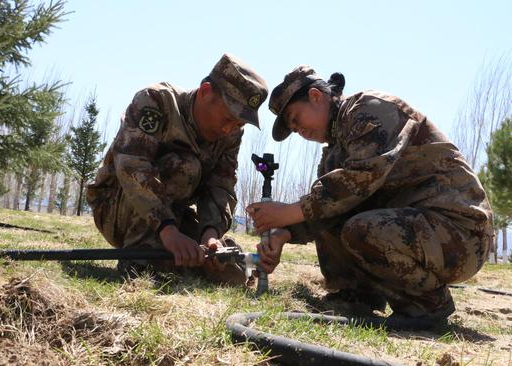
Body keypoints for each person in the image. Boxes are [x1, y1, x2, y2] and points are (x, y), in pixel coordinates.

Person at [247, 65, 493, 322]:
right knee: (332, 209)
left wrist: (287, 213)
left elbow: (359, 178)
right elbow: (328, 204)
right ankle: (355, 296)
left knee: (359, 227)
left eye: (296, 119)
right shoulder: (334, 153)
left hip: (461, 232)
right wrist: (286, 232)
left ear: (316, 97)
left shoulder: (368, 109)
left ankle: (426, 304)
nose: (300, 132)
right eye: (294, 130)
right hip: (428, 229)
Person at [86, 53, 268, 284]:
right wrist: (168, 230)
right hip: (117, 209)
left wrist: (210, 234)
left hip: (174, 216)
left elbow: (221, 185)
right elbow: (132, 166)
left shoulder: (231, 133)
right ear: (205, 92)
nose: (228, 129)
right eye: (227, 118)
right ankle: (138, 264)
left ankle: (168, 260)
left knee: (230, 270)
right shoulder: (156, 101)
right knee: (185, 167)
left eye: (238, 124)